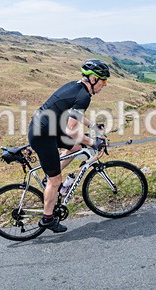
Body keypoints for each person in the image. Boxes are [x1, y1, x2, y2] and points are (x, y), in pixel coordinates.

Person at [27, 59, 110, 233]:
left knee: (75, 147)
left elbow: (72, 115)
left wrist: (92, 126)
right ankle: (47, 219)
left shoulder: (76, 87)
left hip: (47, 127)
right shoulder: (84, 96)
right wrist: (93, 142)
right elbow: (71, 130)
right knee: (55, 180)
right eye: (103, 81)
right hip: (43, 135)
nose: (105, 85)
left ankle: (49, 178)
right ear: (93, 79)